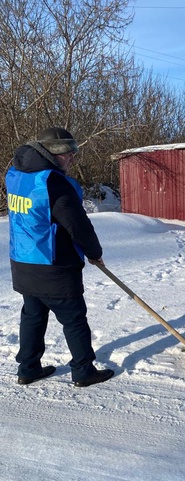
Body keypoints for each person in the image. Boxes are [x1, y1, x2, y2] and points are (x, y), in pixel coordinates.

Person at [6, 127, 114, 386]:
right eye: (68, 153)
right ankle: (84, 371)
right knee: (74, 318)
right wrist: (95, 253)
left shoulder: (18, 175)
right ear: (52, 154)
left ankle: (28, 368)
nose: (72, 158)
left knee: (32, 315)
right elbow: (77, 225)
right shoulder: (53, 183)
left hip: (23, 262)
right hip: (53, 265)